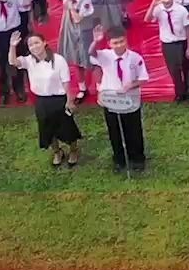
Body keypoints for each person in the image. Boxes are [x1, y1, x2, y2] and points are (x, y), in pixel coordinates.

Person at [11, 30, 81, 166]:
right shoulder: (29, 61)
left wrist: (69, 100)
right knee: (47, 129)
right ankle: (57, 152)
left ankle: (73, 150)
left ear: (44, 43)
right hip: (42, 101)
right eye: (31, 45)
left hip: (59, 99)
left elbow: (66, 81)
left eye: (37, 43)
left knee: (68, 128)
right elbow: (13, 62)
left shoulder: (58, 60)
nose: (34, 47)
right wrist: (13, 46)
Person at [90, 30, 148, 172]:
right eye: (115, 43)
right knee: (114, 132)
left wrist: (131, 85)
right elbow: (91, 53)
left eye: (121, 41)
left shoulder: (135, 58)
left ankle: (137, 158)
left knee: (133, 131)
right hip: (111, 100)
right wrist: (96, 41)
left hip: (130, 101)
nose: (119, 45)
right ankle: (119, 159)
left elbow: (143, 78)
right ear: (109, 44)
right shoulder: (105, 56)